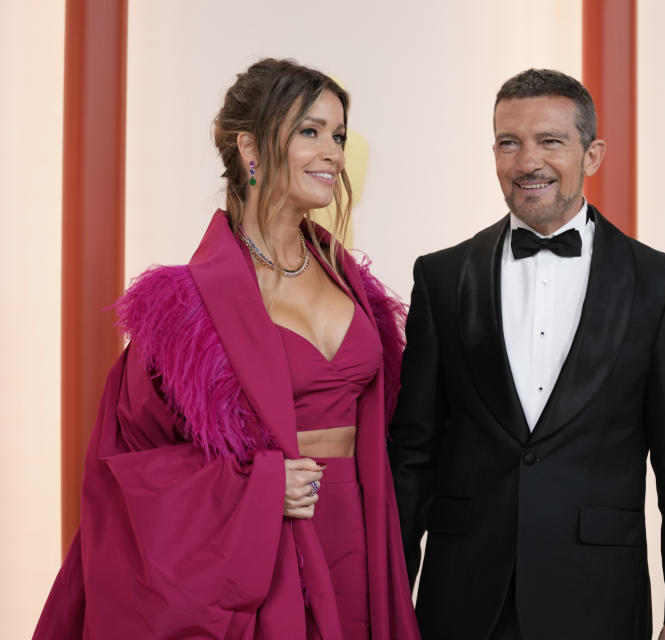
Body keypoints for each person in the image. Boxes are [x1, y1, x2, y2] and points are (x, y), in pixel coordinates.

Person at [34, 58, 419, 640]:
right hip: (270, 549)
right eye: (310, 132)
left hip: (359, 533)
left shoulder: (350, 281)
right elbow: (132, 469)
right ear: (251, 148)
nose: (334, 153)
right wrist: (257, 489)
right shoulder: (186, 307)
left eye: (338, 135)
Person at [388, 69, 665, 640]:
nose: (526, 162)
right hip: (462, 598)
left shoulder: (659, 283)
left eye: (550, 141)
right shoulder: (440, 277)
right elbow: (414, 454)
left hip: (598, 596)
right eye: (508, 142)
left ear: (592, 155)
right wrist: (389, 600)